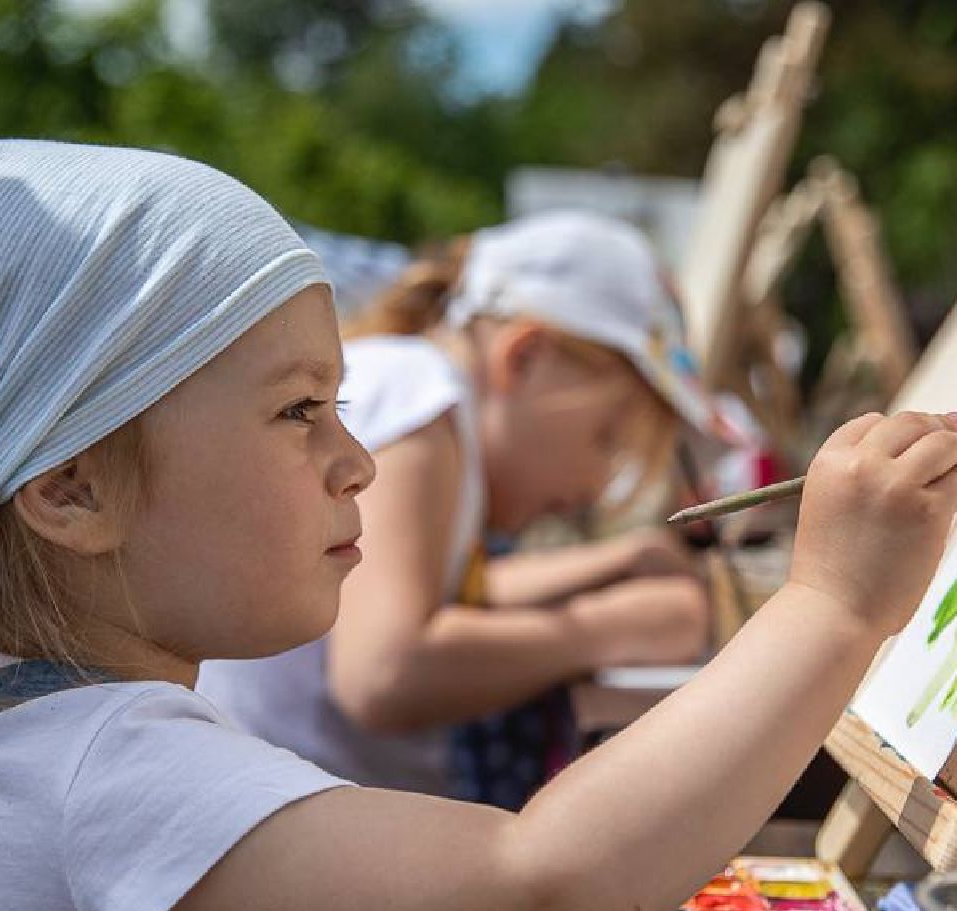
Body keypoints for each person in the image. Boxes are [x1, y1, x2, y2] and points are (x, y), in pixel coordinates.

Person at [0, 140, 957, 911]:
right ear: (74, 489)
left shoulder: (34, 727)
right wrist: (831, 601)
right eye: (298, 412)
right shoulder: (106, 768)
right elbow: (544, 886)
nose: (359, 461)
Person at [198, 211, 719, 801]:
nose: (600, 484)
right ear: (524, 358)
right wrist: (612, 629)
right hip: (290, 817)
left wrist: (621, 561)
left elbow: (455, 593)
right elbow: (383, 674)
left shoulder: (433, 406)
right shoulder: (422, 402)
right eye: (608, 438)